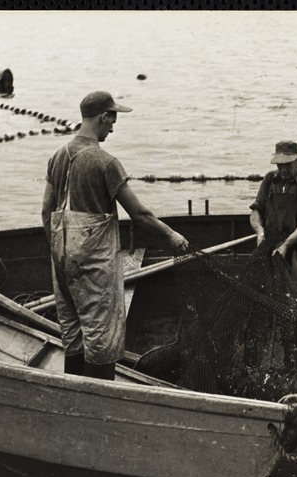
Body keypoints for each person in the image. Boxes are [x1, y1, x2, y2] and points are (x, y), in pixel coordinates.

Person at [42, 90, 189, 380]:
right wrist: (171, 235)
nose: (114, 125)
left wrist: (62, 248)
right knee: (101, 334)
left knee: (72, 331)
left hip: (60, 257)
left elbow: (46, 212)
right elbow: (139, 214)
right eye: (113, 118)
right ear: (102, 117)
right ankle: (100, 399)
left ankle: (74, 392)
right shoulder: (106, 162)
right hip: (93, 261)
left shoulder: (57, 156)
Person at [249, 140, 297, 287]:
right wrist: (259, 231)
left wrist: (286, 244)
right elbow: (256, 210)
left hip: (295, 247)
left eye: (287, 165)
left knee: (292, 293)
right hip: (269, 244)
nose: (282, 169)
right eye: (279, 165)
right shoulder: (269, 179)